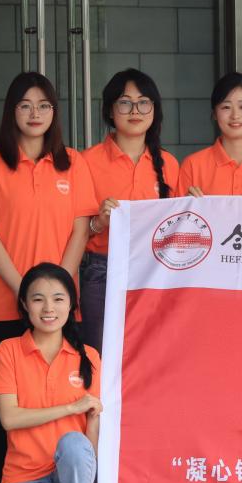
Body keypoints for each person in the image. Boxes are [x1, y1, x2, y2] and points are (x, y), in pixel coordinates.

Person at [0, 72, 98, 483]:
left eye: (44, 105)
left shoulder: (73, 163)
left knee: (65, 404)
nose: (35, 114)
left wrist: (56, 294)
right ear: (11, 112)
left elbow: (81, 230)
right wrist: (27, 292)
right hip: (6, 306)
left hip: (61, 308)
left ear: (55, 112)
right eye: (25, 105)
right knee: (9, 412)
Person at [0, 262, 102, 483]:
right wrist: (70, 408)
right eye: (38, 299)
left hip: (71, 471)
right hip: (26, 476)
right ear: (25, 305)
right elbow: (9, 419)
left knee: (74, 443)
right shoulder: (8, 351)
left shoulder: (89, 356)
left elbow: (92, 431)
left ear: (71, 305)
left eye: (58, 298)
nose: (49, 308)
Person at [81, 68, 178, 352]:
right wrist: (99, 223)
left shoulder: (170, 164)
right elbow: (70, 231)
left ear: (154, 110)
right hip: (102, 270)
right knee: (101, 355)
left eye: (143, 102)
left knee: (151, 356)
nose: (135, 110)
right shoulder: (86, 162)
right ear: (110, 111)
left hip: (156, 273)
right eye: (125, 102)